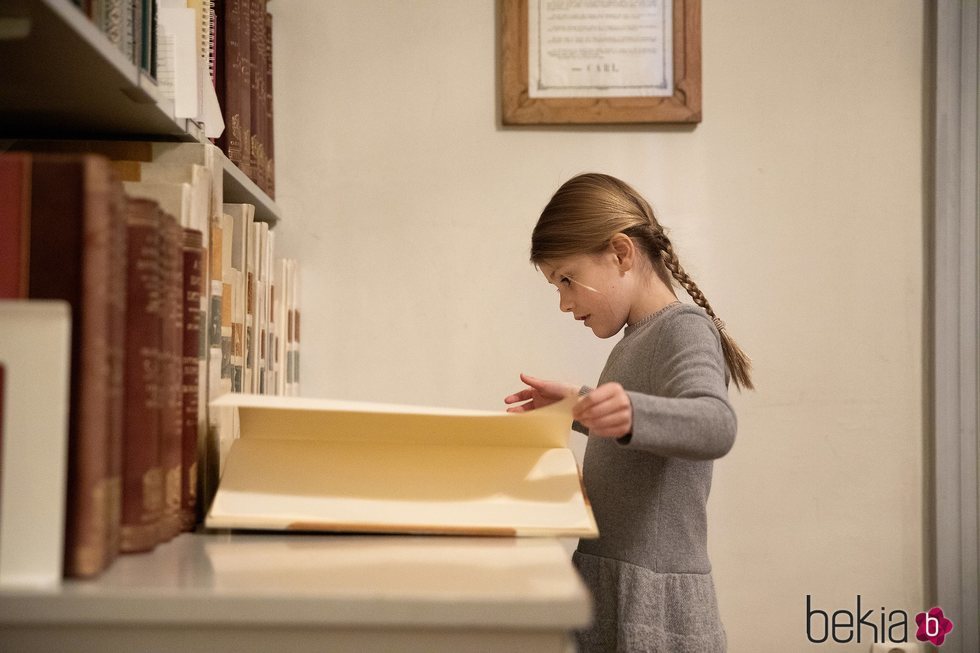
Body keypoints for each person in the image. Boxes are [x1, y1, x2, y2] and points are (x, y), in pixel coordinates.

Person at [504, 173, 753, 652]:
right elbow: (637, 429)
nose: (563, 302)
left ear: (620, 253)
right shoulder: (635, 340)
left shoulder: (684, 329)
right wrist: (576, 407)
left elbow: (715, 424)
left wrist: (631, 413)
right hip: (608, 576)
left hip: (651, 601)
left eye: (566, 280)